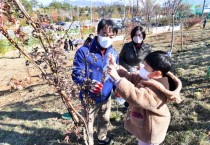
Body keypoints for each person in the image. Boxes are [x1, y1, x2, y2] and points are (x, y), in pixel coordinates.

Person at [107, 51, 182, 145]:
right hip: (144, 125)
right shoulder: (150, 77)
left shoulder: (158, 90)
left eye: (145, 67)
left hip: (151, 130)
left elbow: (136, 96)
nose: (141, 67)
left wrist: (117, 79)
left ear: (157, 73)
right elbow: (131, 77)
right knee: (141, 140)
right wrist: (116, 67)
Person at [72, 19, 118, 145]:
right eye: (104, 34)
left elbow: (114, 73)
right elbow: (76, 74)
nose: (107, 38)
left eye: (111, 36)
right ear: (97, 32)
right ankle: (89, 142)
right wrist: (88, 84)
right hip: (89, 98)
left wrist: (116, 88)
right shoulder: (84, 52)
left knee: (104, 119)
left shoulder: (113, 53)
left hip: (106, 95)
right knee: (88, 123)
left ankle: (102, 137)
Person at [119, 26, 151, 108]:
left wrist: (143, 68)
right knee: (128, 90)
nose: (137, 37)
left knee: (137, 91)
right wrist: (129, 67)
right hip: (128, 72)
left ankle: (137, 106)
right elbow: (120, 59)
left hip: (141, 73)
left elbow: (150, 61)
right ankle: (127, 105)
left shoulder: (147, 47)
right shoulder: (127, 46)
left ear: (143, 36)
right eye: (135, 35)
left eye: (139, 35)